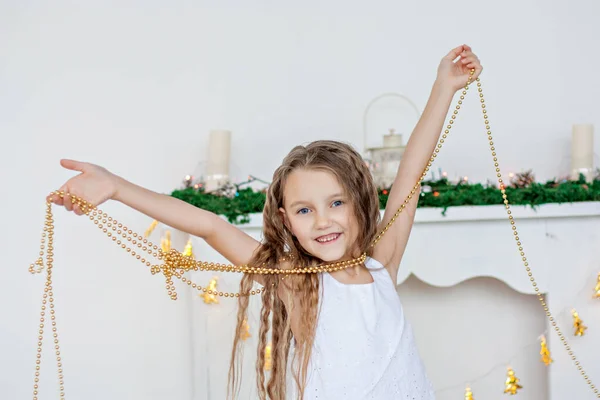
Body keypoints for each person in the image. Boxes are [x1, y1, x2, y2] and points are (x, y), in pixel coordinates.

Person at [49, 44, 482, 400]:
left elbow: (409, 173)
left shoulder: (381, 266)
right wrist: (116, 187)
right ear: (286, 220)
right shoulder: (295, 280)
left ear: (359, 203)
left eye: (336, 203)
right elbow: (210, 226)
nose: (323, 221)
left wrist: (443, 87)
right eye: (305, 210)